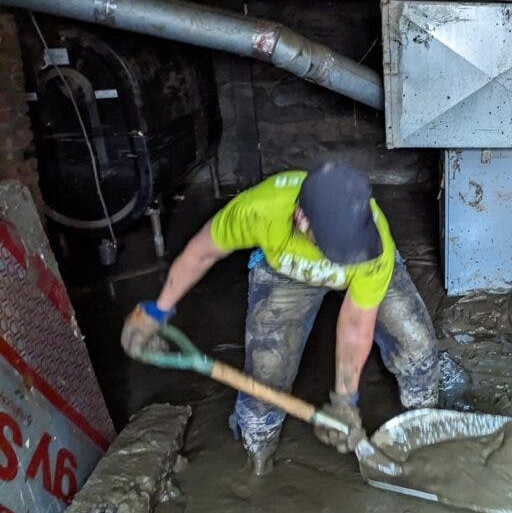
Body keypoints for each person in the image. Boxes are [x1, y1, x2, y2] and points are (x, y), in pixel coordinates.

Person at [120, 160, 439, 475]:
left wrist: (345, 398)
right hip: (285, 270)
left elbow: (356, 322)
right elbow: (202, 253)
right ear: (302, 219)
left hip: (368, 267)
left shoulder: (372, 245)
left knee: (417, 346)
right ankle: (258, 456)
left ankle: (425, 428)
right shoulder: (261, 209)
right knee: (266, 374)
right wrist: (156, 311)